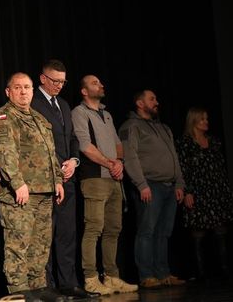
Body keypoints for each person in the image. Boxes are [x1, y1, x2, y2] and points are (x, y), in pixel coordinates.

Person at [0, 72, 66, 302]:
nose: (23, 92)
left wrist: (58, 181)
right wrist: (17, 183)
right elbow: (5, 154)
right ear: (8, 92)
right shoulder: (5, 116)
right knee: (19, 242)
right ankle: (19, 289)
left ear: (33, 91)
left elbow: (50, 153)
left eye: (27, 87)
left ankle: (38, 286)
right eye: (18, 87)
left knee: (40, 243)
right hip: (21, 192)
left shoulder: (38, 118)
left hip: (44, 190)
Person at [30, 60, 97, 300]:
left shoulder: (64, 105)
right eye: (55, 81)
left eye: (62, 81)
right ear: (43, 79)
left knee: (67, 233)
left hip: (67, 178)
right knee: (46, 234)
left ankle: (68, 284)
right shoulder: (32, 102)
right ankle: (47, 285)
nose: (59, 85)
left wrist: (74, 161)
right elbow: (35, 144)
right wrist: (57, 166)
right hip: (45, 180)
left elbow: (72, 139)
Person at [71, 75, 137, 295]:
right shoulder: (79, 112)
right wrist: (110, 164)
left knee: (113, 229)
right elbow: (85, 145)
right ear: (84, 91)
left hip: (113, 178)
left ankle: (111, 276)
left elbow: (118, 144)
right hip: (94, 178)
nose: (100, 85)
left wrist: (119, 163)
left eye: (100, 82)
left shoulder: (106, 114)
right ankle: (91, 278)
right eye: (95, 83)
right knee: (94, 228)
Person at [118, 90, 186, 289]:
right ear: (140, 103)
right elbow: (130, 157)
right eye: (152, 99)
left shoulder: (164, 127)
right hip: (150, 185)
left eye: (156, 98)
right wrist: (141, 184)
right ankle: (146, 275)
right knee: (147, 231)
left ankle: (163, 273)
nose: (156, 102)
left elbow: (174, 156)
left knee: (164, 232)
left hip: (169, 187)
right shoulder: (131, 126)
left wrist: (179, 183)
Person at [176, 107, 233, 280]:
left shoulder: (214, 141)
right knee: (198, 235)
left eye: (206, 119)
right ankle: (201, 274)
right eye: (202, 119)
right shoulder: (184, 143)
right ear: (193, 121)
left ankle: (224, 270)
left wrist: (225, 191)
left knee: (221, 233)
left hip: (217, 191)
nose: (206, 122)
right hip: (197, 192)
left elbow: (220, 167)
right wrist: (187, 192)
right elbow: (183, 170)